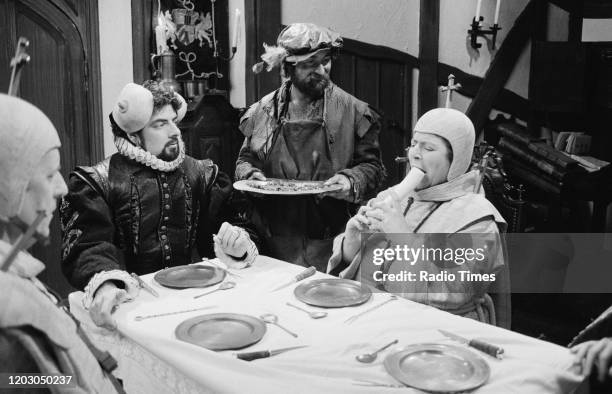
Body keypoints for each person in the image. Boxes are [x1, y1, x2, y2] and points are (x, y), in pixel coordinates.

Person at [61, 81, 259, 330]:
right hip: (129, 309)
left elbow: (238, 223)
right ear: (134, 135)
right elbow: (87, 245)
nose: (175, 131)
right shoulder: (97, 182)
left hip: (198, 303)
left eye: (173, 121)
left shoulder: (203, 173)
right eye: (160, 124)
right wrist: (105, 282)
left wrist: (237, 242)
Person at [327, 108, 508, 325]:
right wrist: (352, 243)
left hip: (432, 333)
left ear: (456, 161)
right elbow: (354, 268)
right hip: (365, 317)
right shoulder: (391, 197)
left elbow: (454, 293)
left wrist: (403, 237)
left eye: (429, 147)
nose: (415, 153)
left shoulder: (478, 220)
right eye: (414, 143)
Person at [236, 23, 385, 270]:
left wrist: (350, 180)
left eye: (325, 61)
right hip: (272, 239)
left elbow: (373, 167)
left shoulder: (355, 112)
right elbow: (245, 160)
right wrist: (251, 176)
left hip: (333, 238)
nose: (321, 70)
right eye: (309, 64)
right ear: (288, 68)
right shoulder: (262, 111)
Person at [0, 94, 123, 392]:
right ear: (9, 185)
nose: (62, 187)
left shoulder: (15, 272)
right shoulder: (9, 330)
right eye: (49, 174)